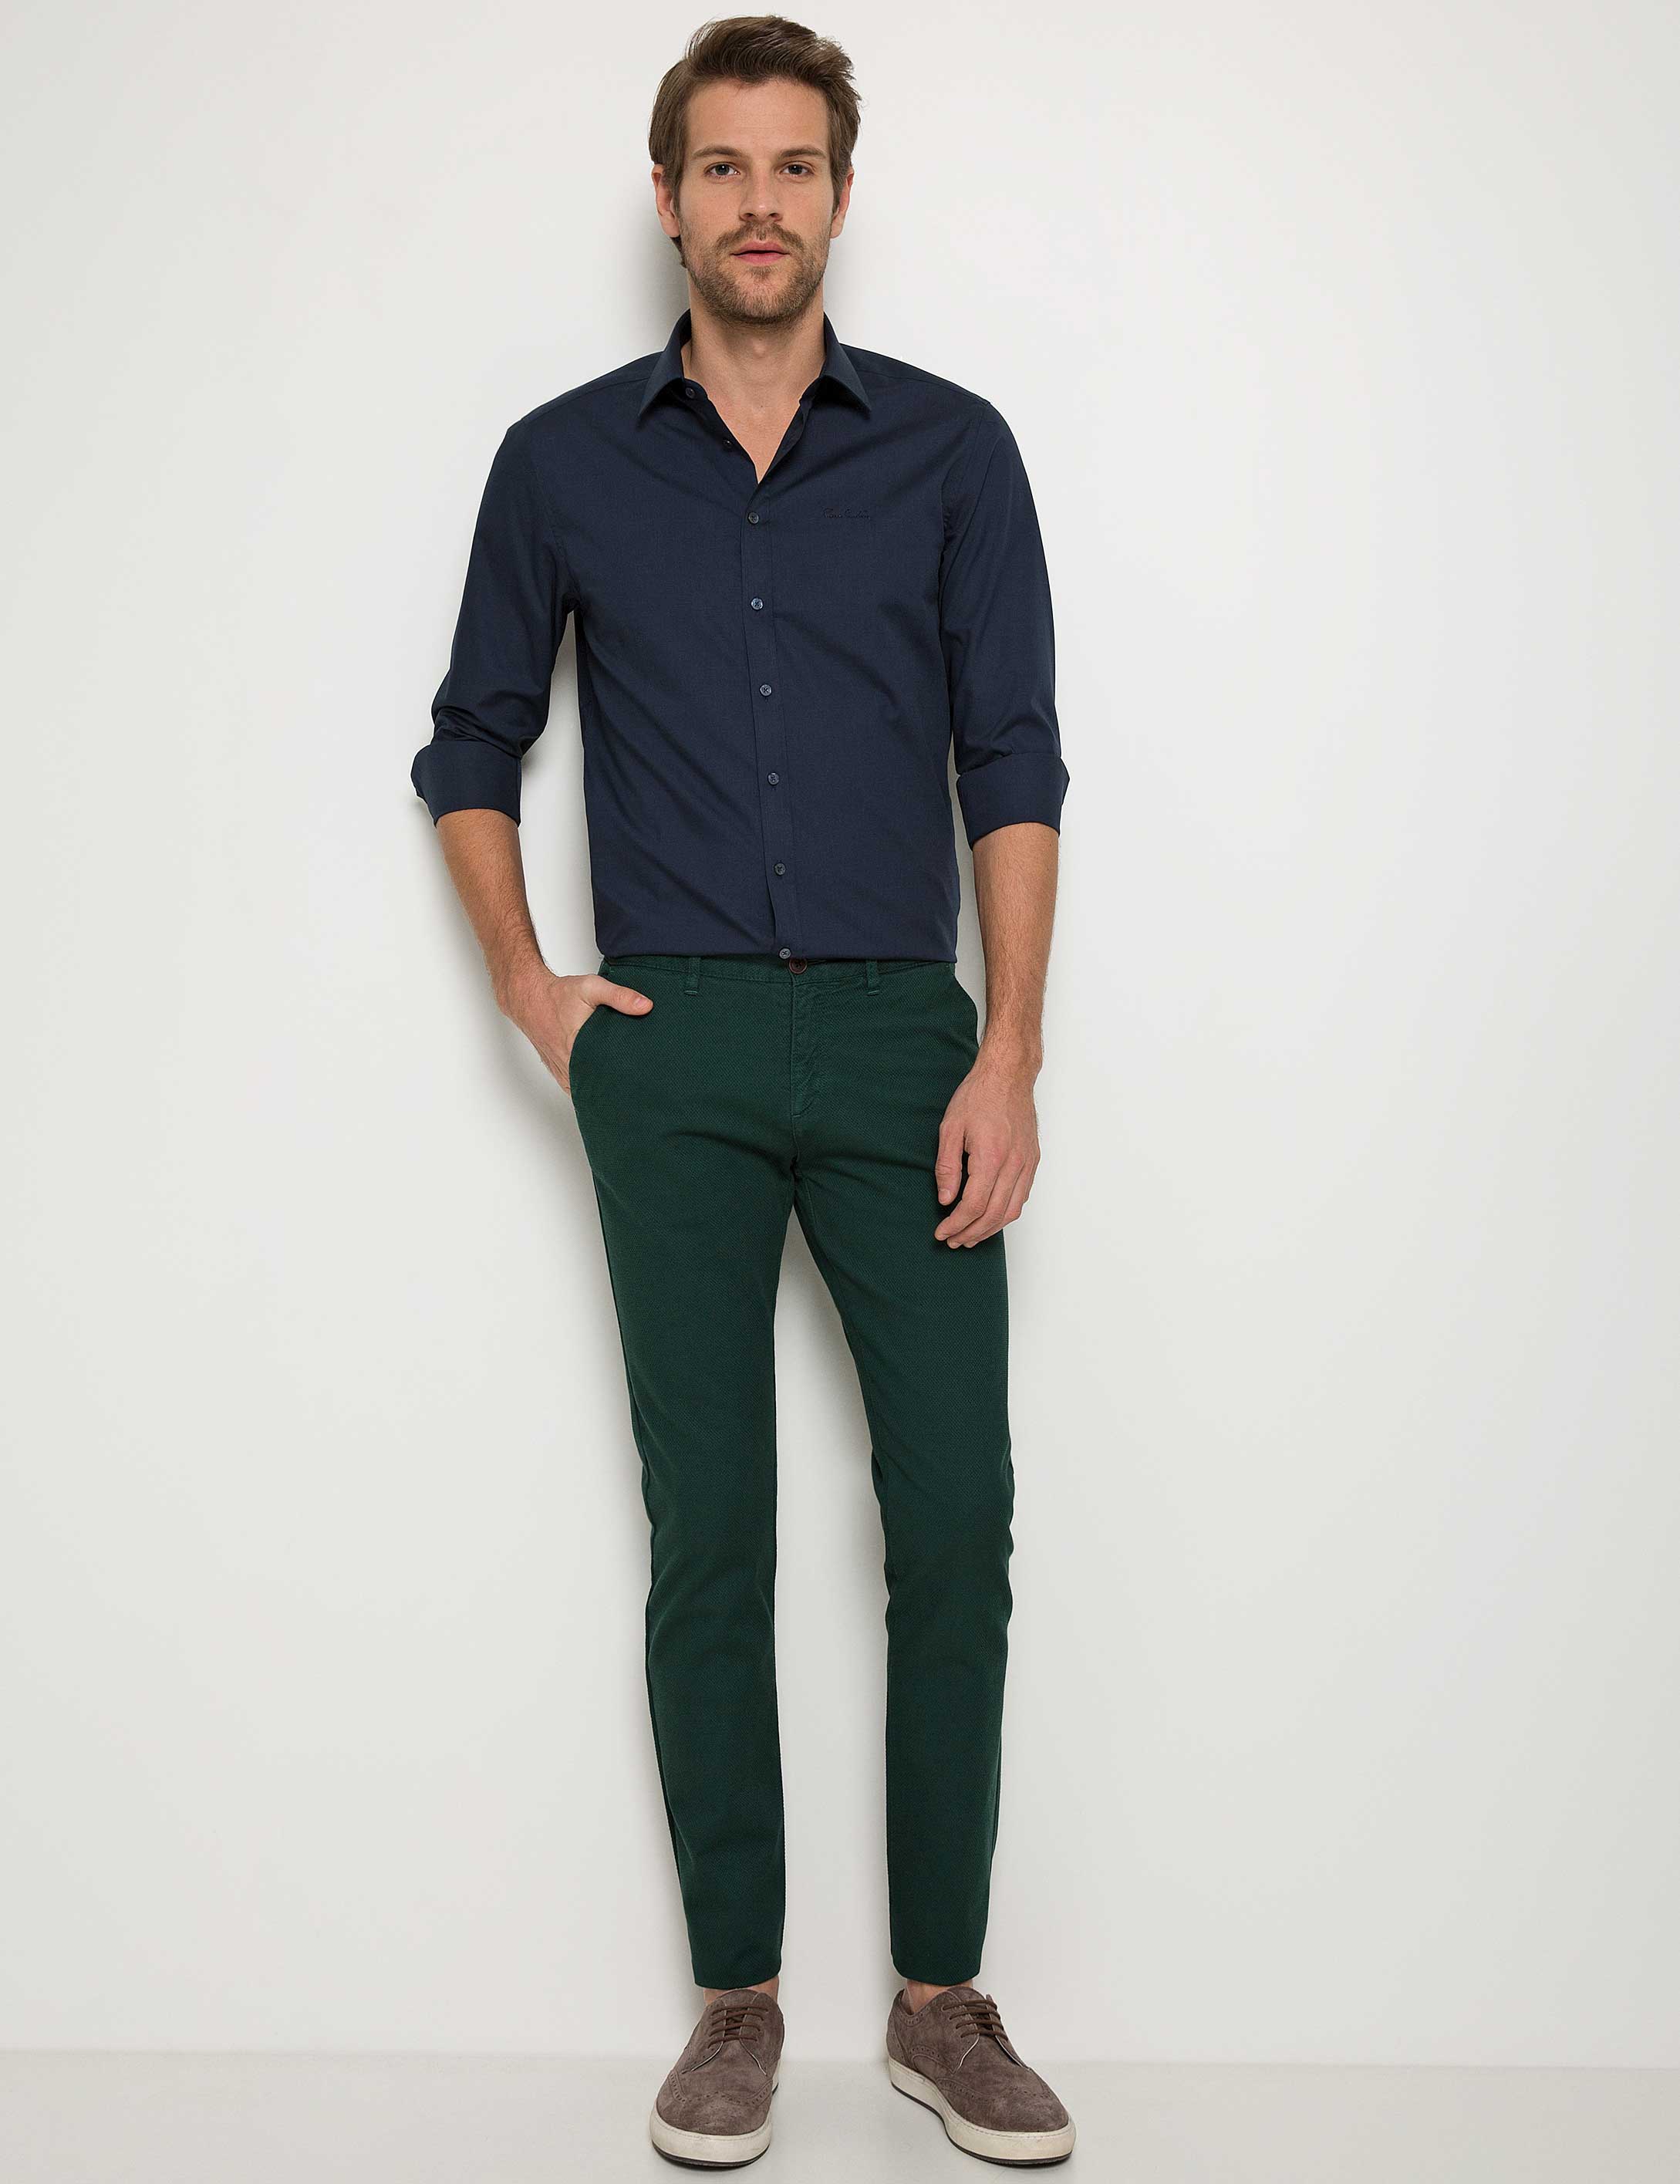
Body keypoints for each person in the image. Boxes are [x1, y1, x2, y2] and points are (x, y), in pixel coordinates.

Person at [409, 15, 1074, 2169]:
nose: (759, 201)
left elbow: (1015, 762)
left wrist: (1006, 1047)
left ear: (839, 196)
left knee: (952, 1516)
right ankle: (737, 1998)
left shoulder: (953, 452)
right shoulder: (562, 461)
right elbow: (470, 742)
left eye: (794, 165)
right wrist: (535, 995)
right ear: (670, 197)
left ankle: (941, 1998)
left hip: (902, 1037)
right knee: (711, 1529)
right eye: (722, 167)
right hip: (670, 1044)